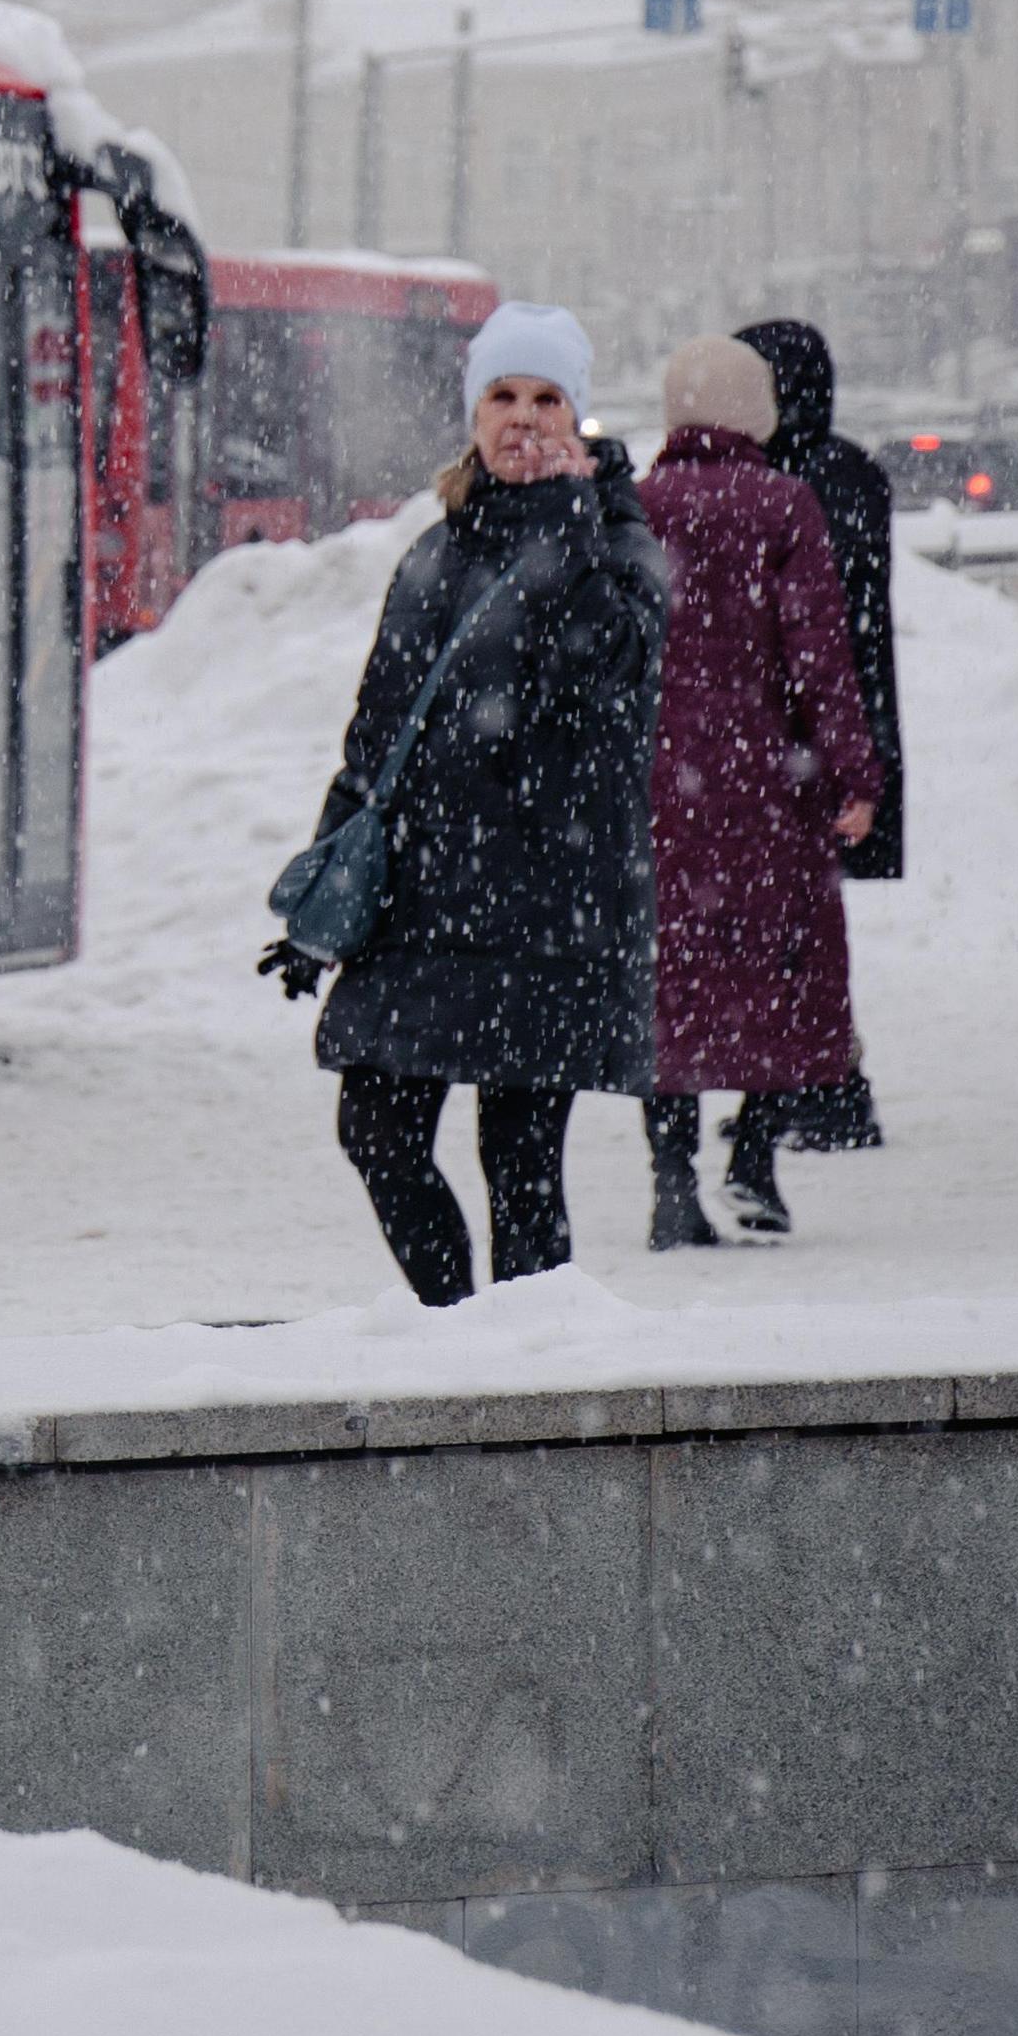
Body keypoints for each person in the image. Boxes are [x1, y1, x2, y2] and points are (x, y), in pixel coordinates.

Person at [262, 302, 666, 1303]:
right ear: (472, 411)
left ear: (576, 416)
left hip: (548, 908)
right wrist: (322, 903)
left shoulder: (617, 544)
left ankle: (525, 1383)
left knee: (520, 1165)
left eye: (544, 398)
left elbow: (604, 674)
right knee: (376, 1133)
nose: (521, 418)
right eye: (502, 395)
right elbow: (375, 739)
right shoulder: (433, 552)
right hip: (423, 909)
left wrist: (571, 524)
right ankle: (459, 1337)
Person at [638, 337, 882, 1248]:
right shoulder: (784, 504)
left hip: (661, 793)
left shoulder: (638, 506)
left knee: (673, 984)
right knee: (779, 977)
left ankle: (670, 1181)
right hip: (770, 786)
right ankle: (755, 1166)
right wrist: (854, 774)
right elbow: (821, 652)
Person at [740, 316, 902, 1154]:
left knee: (790, 924)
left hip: (789, 730)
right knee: (804, 919)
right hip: (840, 720)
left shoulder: (776, 486)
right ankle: (813, 1076)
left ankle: (828, 1080)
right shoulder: (852, 475)